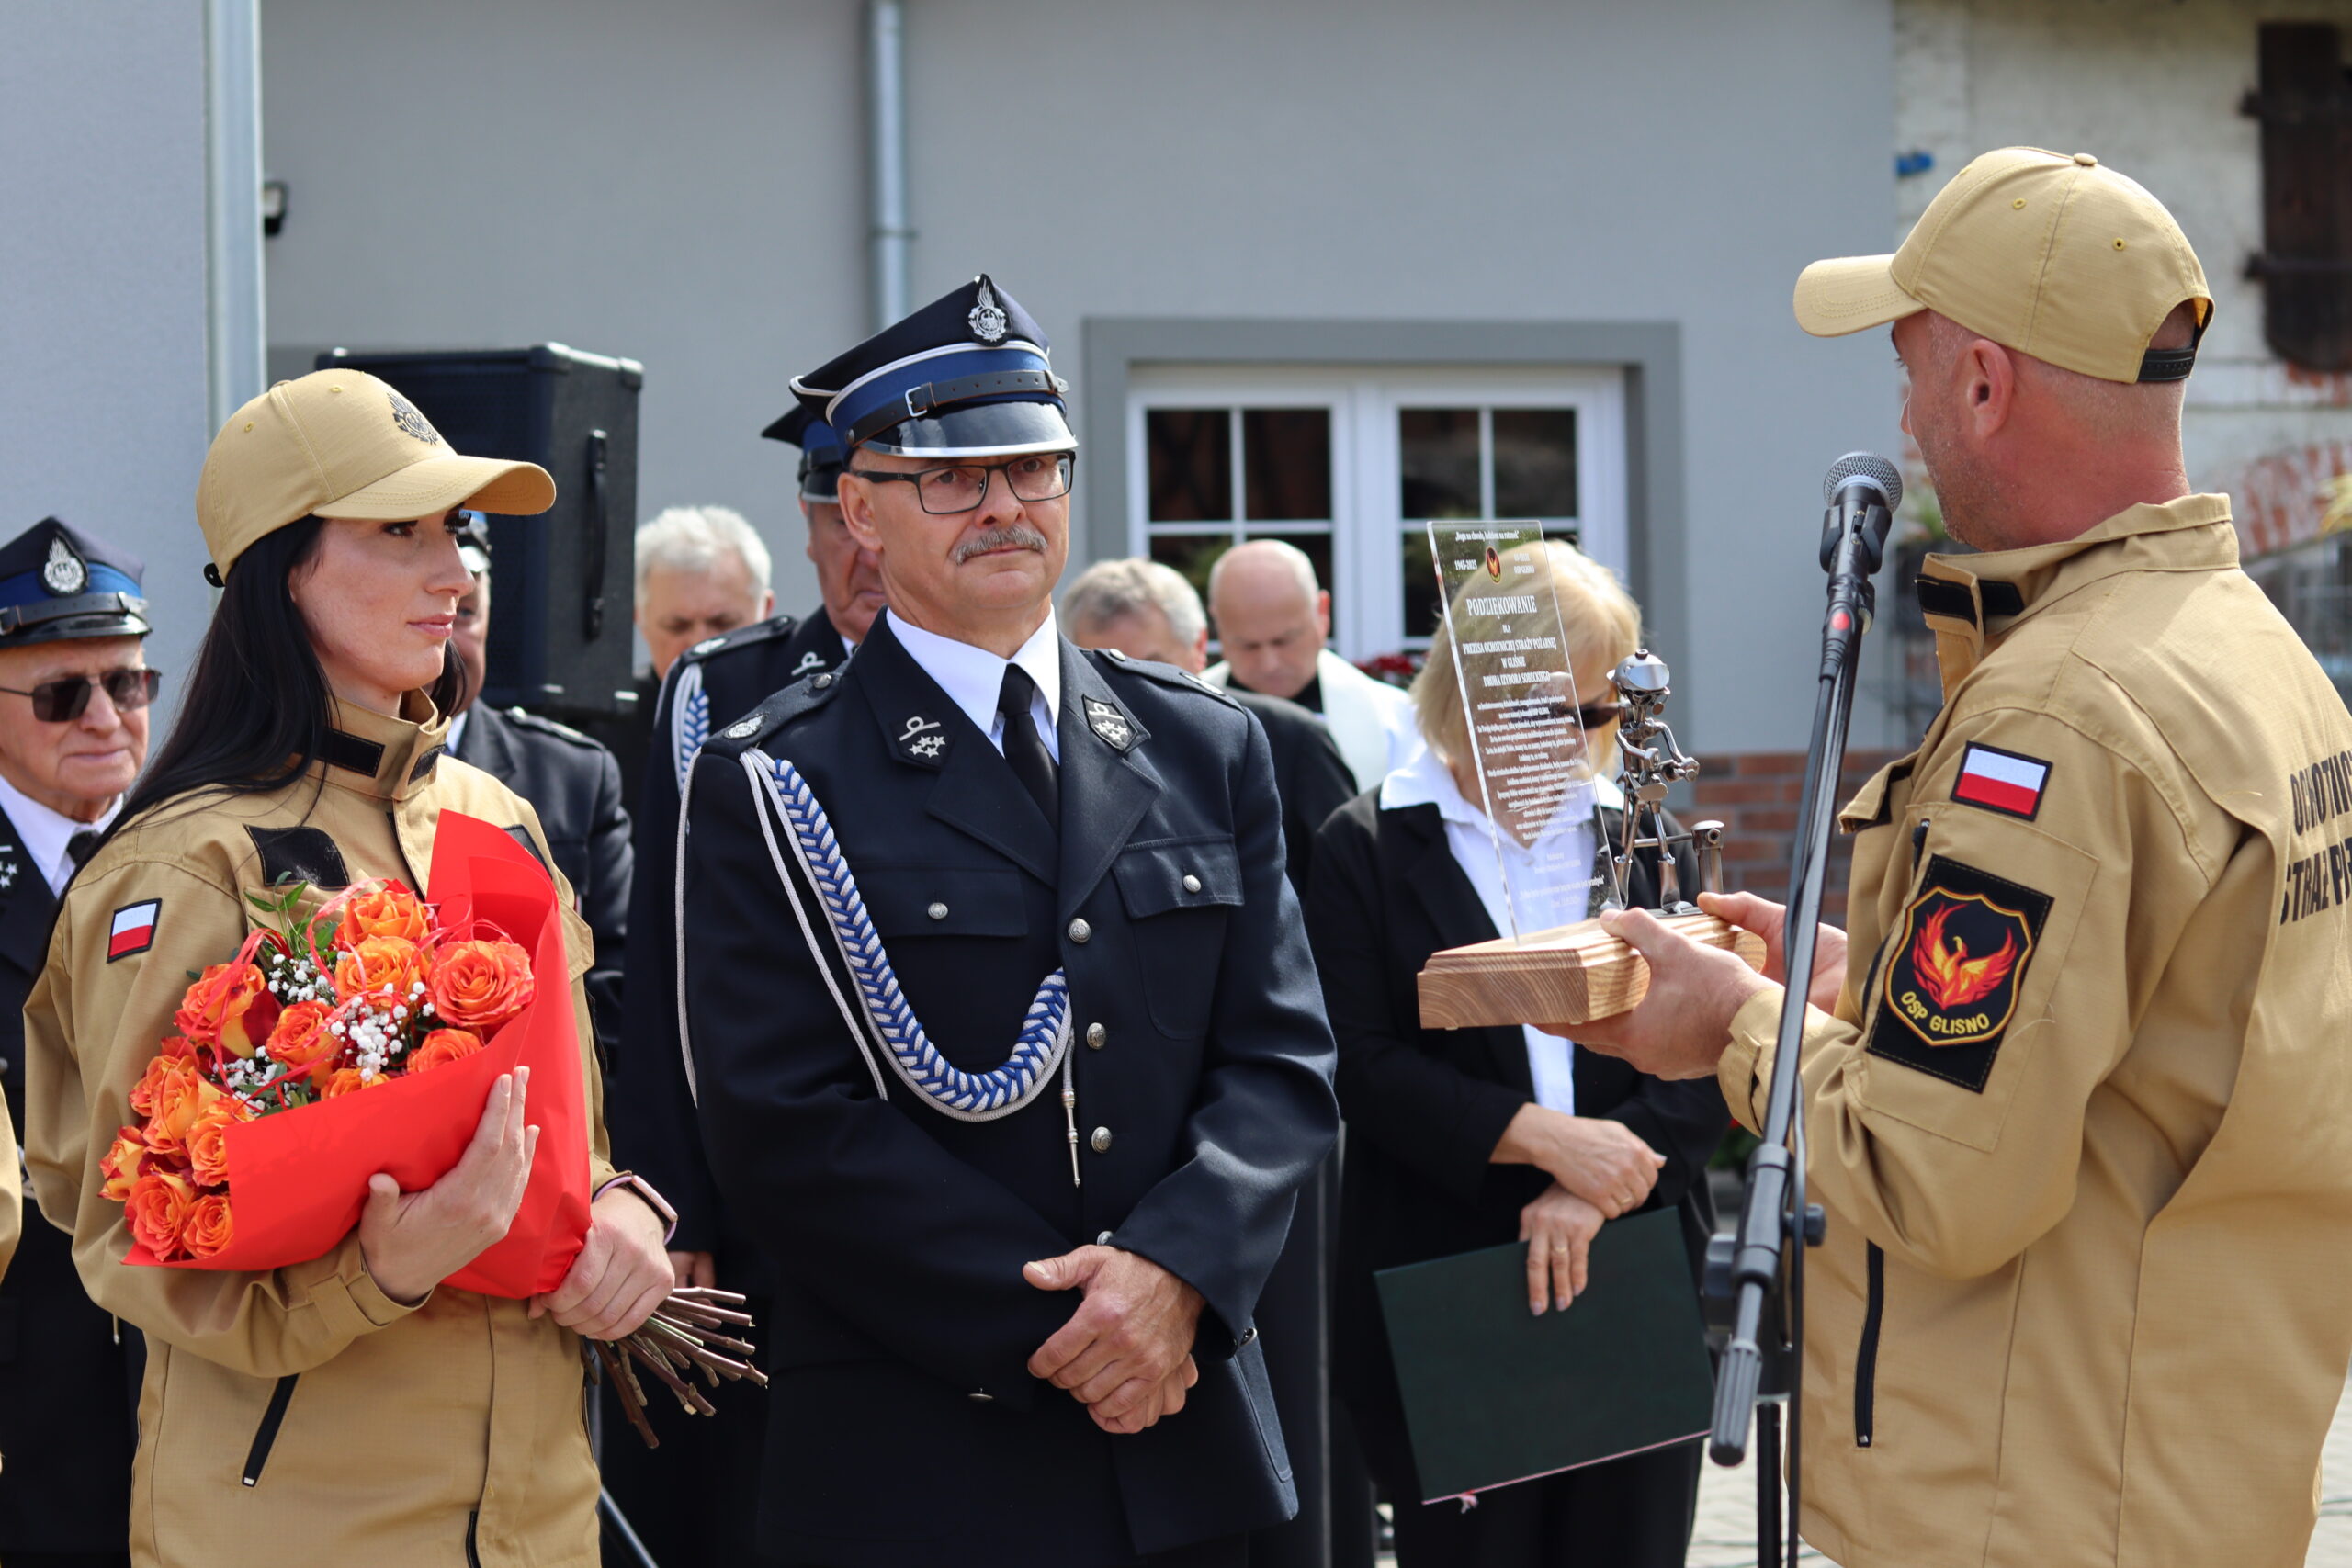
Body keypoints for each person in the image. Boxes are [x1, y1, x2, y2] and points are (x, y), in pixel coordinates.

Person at [1575, 148, 2352, 1568]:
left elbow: (1938, 1174)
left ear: (1985, 384)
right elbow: (2143, 1042)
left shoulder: (2058, 711)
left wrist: (1734, 1024)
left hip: (2030, 1500)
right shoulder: (2254, 656)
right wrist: (1862, 989)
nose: (1908, 422)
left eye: (1912, 372)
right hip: (2182, 1470)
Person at [679, 275, 1340, 1567]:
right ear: (858, 510)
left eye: (1032, 467)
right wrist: (1074, 1327)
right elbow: (780, 1119)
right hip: (922, 1450)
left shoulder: (1203, 744)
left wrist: (1171, 1276)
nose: (1002, 505)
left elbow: (1282, 1060)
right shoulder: (776, 774)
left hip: (1185, 1428)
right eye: (950, 477)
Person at [20, 369, 675, 1567]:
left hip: (538, 1516)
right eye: (399, 531)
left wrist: (621, 1205)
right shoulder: (186, 864)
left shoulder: (500, 815)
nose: (455, 573)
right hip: (298, 1523)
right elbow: (128, 1233)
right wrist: (380, 1270)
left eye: (454, 531)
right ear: (285, 569)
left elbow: (562, 1130)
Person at [1305, 540, 1724, 1567]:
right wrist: (1540, 1138)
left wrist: (1593, 1182)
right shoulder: (1363, 845)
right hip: (1445, 1277)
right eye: (1554, 711)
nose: (1584, 738)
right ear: (1470, 692)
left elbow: (1720, 1042)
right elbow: (1354, 1060)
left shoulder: (1647, 837)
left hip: (1631, 1260)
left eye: (1603, 710)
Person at [599, 410, 875, 1568]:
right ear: (812, 526)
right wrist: (677, 1205)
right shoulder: (726, 690)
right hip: (761, 1186)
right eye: (841, 515)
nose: (866, 547)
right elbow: (668, 958)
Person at [1063, 555, 1357, 1568]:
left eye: (1151, 663)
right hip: (1130, 1172)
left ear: (1196, 653)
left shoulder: (1269, 741)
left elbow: (1315, 969)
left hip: (1250, 1154)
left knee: (1275, 1442)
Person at [0, 518, 139, 1567]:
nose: (104, 716)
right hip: (27, 1398)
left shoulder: (212, 850)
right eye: (61, 695)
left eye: (127, 683)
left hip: (199, 1373)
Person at [447, 519, 630, 1071]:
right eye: (434, 611)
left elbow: (618, 974)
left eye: (466, 613)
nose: (446, 634)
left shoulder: (571, 775)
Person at [1063, 558, 1353, 896]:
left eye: (1148, 668)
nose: (1124, 691)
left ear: (1199, 648)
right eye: (1100, 672)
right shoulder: (1053, 752)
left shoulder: (1292, 738)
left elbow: (1342, 896)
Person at [1204, 539, 1418, 792]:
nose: (1269, 664)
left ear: (1322, 612)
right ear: (1217, 624)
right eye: (1248, 646)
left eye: (1284, 641)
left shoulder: (1399, 722)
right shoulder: (1187, 710)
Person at [633, 504, 777, 682]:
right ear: (640, 618)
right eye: (677, 626)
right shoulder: (607, 698)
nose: (699, 644)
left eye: (723, 623)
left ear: (765, 610)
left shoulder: (803, 695)